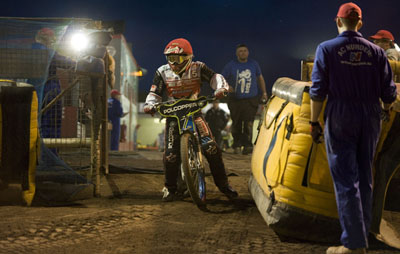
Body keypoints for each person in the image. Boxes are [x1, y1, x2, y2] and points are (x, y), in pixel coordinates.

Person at [309, 3, 397, 254]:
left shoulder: (326, 49)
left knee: (346, 180)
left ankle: (353, 244)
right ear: (360, 24)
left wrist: (314, 122)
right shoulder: (377, 53)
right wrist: (385, 109)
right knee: (365, 178)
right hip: (370, 117)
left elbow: (317, 91)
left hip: (340, 115)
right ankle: (362, 238)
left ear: (338, 22)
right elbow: (389, 93)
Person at [143, 38, 238, 202]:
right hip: (173, 115)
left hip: (194, 112)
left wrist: (221, 88)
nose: (173, 62)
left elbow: (215, 77)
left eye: (177, 58)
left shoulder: (198, 67)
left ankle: (224, 186)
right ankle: (170, 188)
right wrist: (150, 105)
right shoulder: (162, 71)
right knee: (171, 155)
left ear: (188, 57)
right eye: (170, 58)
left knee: (211, 148)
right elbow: (155, 92)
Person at [30, 27, 75, 141]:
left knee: (35, 121)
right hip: (49, 89)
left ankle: (36, 153)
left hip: (32, 90)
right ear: (48, 39)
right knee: (52, 121)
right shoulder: (47, 52)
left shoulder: (31, 51)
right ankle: (49, 153)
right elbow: (66, 63)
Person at [222, 44, 268, 155]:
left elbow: (260, 77)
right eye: (240, 51)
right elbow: (221, 78)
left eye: (245, 51)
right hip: (235, 100)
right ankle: (236, 145)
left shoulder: (253, 64)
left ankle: (247, 145)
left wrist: (264, 92)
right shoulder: (231, 65)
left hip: (250, 99)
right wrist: (227, 87)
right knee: (237, 123)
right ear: (237, 53)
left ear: (248, 52)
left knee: (248, 123)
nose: (243, 53)